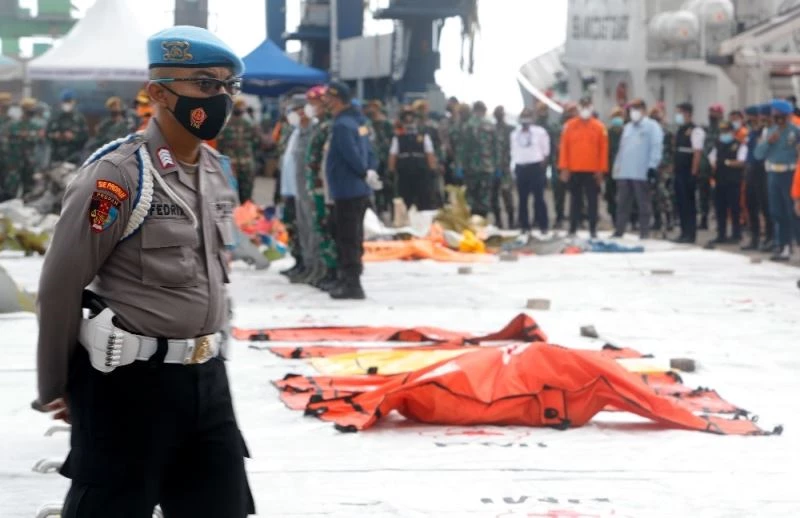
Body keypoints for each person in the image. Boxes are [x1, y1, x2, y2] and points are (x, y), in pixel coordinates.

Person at [34, 26, 254, 517]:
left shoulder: (218, 171)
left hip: (207, 382)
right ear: (158, 92)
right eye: (204, 84)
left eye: (227, 86)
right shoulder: (117, 177)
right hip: (129, 388)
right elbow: (60, 286)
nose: (220, 97)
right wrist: (60, 385)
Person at [323, 81, 380, 299]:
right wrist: (371, 171)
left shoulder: (341, 125)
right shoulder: (359, 122)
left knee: (346, 237)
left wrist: (363, 170)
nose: (326, 101)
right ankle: (350, 279)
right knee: (353, 236)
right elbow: (369, 150)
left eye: (328, 97)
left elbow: (351, 154)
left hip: (347, 188)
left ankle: (352, 284)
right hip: (359, 189)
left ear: (337, 99)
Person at [754, 98, 800, 261]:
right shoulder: (768, 132)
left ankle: (794, 244)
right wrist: (768, 142)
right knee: (776, 211)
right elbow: (758, 154)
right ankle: (783, 246)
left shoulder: (796, 131)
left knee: (792, 212)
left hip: (789, 173)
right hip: (773, 173)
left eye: (778, 115)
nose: (775, 117)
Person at [610, 99, 663, 239]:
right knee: (622, 204)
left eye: (636, 109)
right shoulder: (627, 127)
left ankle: (644, 232)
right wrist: (617, 169)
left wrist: (652, 166)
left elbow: (656, 147)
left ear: (644, 110)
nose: (633, 112)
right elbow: (622, 150)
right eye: (632, 109)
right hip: (625, 172)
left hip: (641, 172)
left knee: (643, 204)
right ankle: (619, 230)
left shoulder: (652, 126)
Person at [558, 97, 608, 238]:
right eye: (583, 106)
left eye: (587, 106)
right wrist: (564, 167)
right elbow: (564, 148)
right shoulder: (569, 126)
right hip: (574, 170)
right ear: (579, 108)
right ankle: (573, 228)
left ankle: (593, 229)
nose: (585, 109)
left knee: (593, 201)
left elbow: (603, 150)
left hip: (592, 171)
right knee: (575, 201)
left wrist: (601, 170)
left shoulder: (599, 127)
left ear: (591, 108)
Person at [387, 106, 438, 211]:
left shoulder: (423, 135)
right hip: (404, 171)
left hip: (421, 170)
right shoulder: (397, 137)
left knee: (423, 199)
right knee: (405, 200)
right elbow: (393, 155)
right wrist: (391, 171)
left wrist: (432, 169)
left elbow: (429, 153)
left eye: (411, 117)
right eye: (406, 117)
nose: (409, 120)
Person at [707, 121, 747, 246]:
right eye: (722, 131)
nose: (724, 134)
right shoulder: (718, 144)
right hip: (720, 180)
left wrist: (726, 163)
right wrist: (716, 164)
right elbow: (712, 157)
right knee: (720, 208)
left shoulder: (739, 145)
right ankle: (721, 234)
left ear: (732, 132)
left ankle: (736, 234)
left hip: (733, 180)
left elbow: (741, 162)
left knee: (734, 208)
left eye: (726, 131)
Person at [510, 107, 550, 234]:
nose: (525, 119)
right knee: (522, 199)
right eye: (523, 116)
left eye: (528, 116)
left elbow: (545, 151)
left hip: (535, 167)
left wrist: (542, 167)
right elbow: (513, 151)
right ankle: (524, 226)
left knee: (539, 198)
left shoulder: (540, 132)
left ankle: (543, 225)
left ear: (532, 118)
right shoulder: (514, 133)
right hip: (521, 168)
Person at [457, 101, 498, 218]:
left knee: (471, 198)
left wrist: (460, 166)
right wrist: (496, 166)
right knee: (484, 197)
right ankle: (482, 222)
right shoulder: (490, 125)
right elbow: (495, 148)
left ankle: (474, 223)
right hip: (486, 167)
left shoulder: (467, 126)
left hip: (471, 168)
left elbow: (462, 149)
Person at [672, 102, 706, 243]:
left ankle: (690, 233)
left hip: (688, 170)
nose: (678, 116)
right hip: (679, 169)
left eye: (680, 112)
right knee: (680, 202)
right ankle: (683, 232)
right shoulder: (680, 130)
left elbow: (697, 153)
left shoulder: (695, 130)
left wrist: (693, 172)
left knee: (689, 203)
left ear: (687, 113)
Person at [217, 97, 260, 203]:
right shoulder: (250, 122)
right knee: (244, 196)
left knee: (232, 195)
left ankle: (239, 216)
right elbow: (257, 141)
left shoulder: (225, 123)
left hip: (232, 165)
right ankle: (243, 216)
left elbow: (220, 144)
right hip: (244, 163)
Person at [742, 104, 773, 251]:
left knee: (765, 205)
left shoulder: (765, 132)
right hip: (751, 170)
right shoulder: (752, 132)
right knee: (751, 204)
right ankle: (754, 237)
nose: (748, 119)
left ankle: (769, 237)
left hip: (763, 170)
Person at [5, 97, 45, 200]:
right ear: (23, 110)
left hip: (29, 162)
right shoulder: (13, 124)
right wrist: (29, 134)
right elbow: (8, 137)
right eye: (28, 109)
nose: (31, 112)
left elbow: (40, 137)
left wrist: (26, 135)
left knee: (29, 188)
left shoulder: (36, 125)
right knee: (11, 188)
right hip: (15, 161)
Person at [46, 89, 89, 164]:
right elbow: (47, 134)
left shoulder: (79, 118)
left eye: (69, 101)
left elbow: (85, 137)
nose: (67, 104)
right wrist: (54, 136)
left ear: (74, 102)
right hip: (56, 158)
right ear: (61, 102)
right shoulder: (55, 117)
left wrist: (74, 137)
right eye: (65, 101)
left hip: (74, 158)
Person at [698, 103, 724, 230]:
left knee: (718, 195)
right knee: (703, 194)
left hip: (718, 166)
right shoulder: (706, 129)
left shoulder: (724, 128)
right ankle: (704, 219)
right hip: (704, 166)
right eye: (710, 112)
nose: (712, 115)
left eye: (714, 112)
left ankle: (720, 221)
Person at [492, 105, 515, 228]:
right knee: (493, 196)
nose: (499, 115)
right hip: (492, 167)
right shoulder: (491, 129)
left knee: (507, 195)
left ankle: (511, 221)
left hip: (505, 167)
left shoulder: (511, 129)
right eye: (497, 113)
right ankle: (498, 221)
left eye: (500, 113)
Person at [605, 106, 626, 225]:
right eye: (615, 117)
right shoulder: (607, 132)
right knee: (610, 194)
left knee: (624, 195)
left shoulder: (627, 131)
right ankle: (614, 217)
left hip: (624, 169)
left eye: (619, 116)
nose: (617, 119)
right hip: (610, 168)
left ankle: (626, 218)